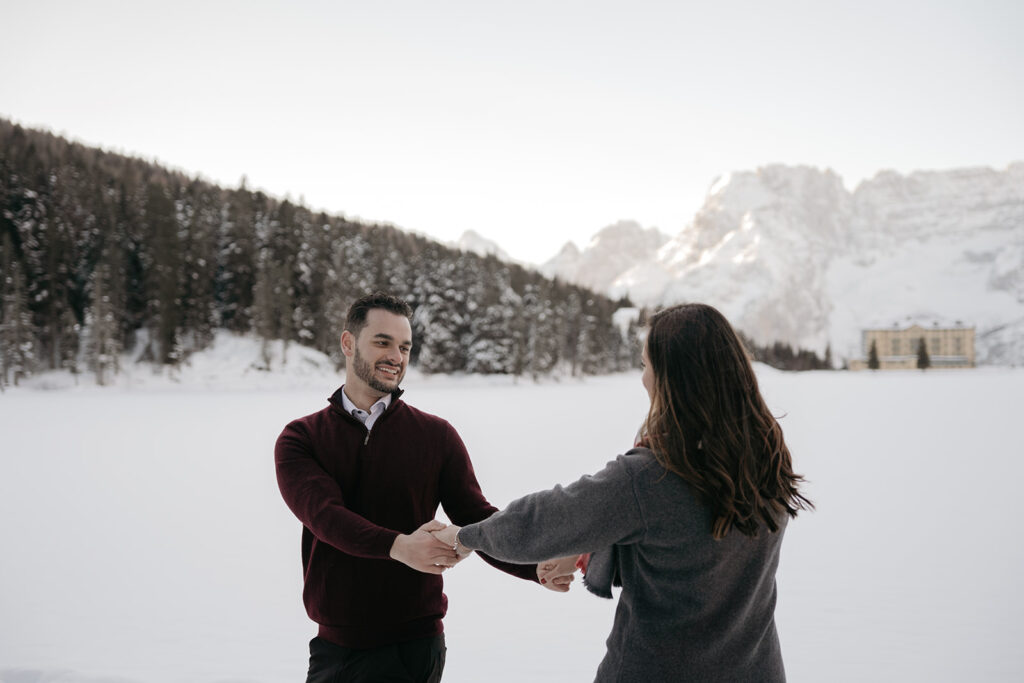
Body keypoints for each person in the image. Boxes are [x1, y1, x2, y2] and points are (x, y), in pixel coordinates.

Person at [434, 303, 813, 682]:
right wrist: (587, 549)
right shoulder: (763, 456)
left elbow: (543, 521)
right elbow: (685, 541)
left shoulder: (652, 475)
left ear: (673, 378)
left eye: (646, 366)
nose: (643, 379)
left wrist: (466, 535)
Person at [275, 292, 562, 683]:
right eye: (382, 342)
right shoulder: (302, 438)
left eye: (404, 346)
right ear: (348, 343)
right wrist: (398, 547)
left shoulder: (436, 435)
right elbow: (326, 516)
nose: (396, 355)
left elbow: (475, 516)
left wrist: (534, 564)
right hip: (338, 649)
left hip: (415, 648)